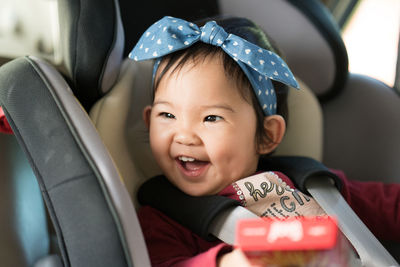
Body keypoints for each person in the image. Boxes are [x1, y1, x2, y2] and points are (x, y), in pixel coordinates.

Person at [129, 16, 400, 266]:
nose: (185, 135)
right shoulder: (163, 218)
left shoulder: (313, 183)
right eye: (167, 115)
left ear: (267, 135)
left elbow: (389, 207)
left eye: (211, 118)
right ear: (148, 120)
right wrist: (230, 262)